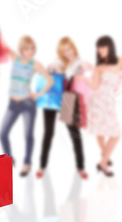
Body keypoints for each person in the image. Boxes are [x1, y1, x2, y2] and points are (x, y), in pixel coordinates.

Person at [0, 25, 53, 177]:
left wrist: (37, 94)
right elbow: (3, 44)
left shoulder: (35, 64)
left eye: (33, 48)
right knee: (2, 133)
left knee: (28, 135)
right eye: (28, 48)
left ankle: (27, 162)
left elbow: (49, 81)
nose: (31, 51)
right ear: (22, 49)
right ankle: (9, 158)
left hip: (28, 103)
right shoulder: (15, 58)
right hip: (13, 103)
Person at [82, 36, 122, 177]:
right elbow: (95, 86)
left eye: (103, 47)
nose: (100, 50)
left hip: (110, 103)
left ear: (110, 47)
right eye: (98, 47)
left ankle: (103, 158)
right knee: (101, 131)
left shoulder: (120, 60)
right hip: (97, 102)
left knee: (115, 133)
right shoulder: (99, 66)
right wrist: (84, 78)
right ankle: (104, 161)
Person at [36, 37, 91, 180]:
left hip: (68, 98)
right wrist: (52, 67)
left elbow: (89, 73)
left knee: (74, 132)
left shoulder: (79, 63)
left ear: (73, 47)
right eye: (64, 51)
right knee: (48, 132)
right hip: (52, 97)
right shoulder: (59, 61)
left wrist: (86, 69)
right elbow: (51, 67)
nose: (67, 53)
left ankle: (80, 166)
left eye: (69, 49)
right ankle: (42, 166)